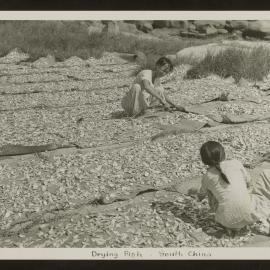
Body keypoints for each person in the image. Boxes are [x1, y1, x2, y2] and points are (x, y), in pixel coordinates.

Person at [121, 57, 186, 117]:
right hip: (130, 103)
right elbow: (147, 87)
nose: (163, 74)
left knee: (159, 90)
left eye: (166, 72)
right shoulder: (146, 73)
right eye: (163, 70)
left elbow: (163, 94)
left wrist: (175, 105)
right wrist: (162, 100)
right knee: (136, 87)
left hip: (142, 102)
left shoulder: (157, 79)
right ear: (157, 66)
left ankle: (143, 111)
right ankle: (133, 114)